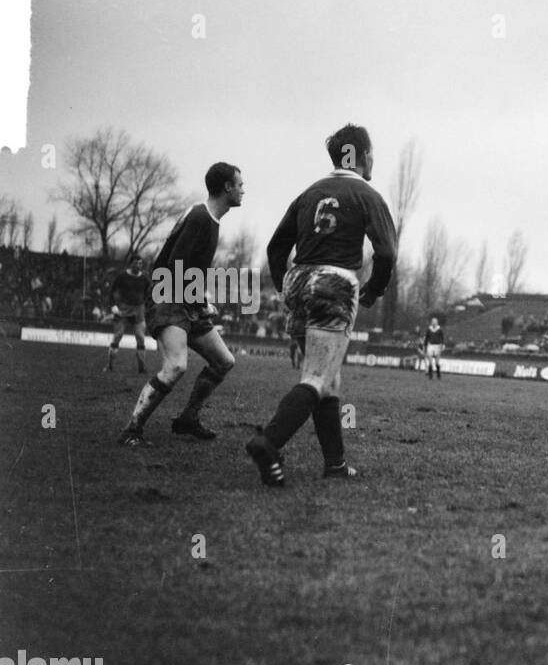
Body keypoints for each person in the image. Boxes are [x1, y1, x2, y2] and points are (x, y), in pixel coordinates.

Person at [246, 123, 398, 486]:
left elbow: (275, 248)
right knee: (316, 377)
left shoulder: (308, 193)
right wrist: (374, 289)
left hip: (300, 281)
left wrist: (286, 287)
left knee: (327, 378)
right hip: (334, 283)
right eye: (371, 152)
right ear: (361, 156)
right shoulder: (367, 195)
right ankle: (268, 442)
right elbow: (387, 251)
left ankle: (335, 464)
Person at [118, 163, 244, 446]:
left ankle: (188, 418)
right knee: (176, 366)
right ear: (227, 187)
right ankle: (132, 430)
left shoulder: (209, 218)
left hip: (182, 297)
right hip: (166, 295)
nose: (243, 190)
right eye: (240, 184)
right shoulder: (201, 216)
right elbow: (176, 264)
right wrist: (200, 300)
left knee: (224, 361)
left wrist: (198, 301)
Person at [106, 254, 149, 373]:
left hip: (138, 310)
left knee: (140, 338)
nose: (138, 266)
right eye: (136, 263)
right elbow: (111, 291)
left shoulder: (144, 278)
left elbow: (148, 294)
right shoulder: (122, 276)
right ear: (131, 264)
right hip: (123, 309)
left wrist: (145, 306)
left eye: (140, 263)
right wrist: (113, 306)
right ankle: (110, 365)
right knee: (118, 336)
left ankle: (142, 367)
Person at [423, 315, 445, 380]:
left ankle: (438, 374)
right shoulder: (429, 329)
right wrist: (425, 346)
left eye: (435, 322)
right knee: (430, 361)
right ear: (431, 322)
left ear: (437, 322)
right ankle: (430, 375)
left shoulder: (439, 330)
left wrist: (442, 346)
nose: (434, 323)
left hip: (437, 346)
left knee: (437, 362)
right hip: (430, 346)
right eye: (433, 321)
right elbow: (426, 339)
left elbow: (442, 339)